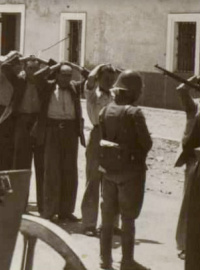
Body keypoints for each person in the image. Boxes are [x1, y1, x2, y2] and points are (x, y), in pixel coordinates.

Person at [98, 70, 152, 270]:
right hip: (130, 172)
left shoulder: (105, 111)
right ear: (132, 92)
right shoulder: (134, 113)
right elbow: (146, 143)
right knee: (128, 218)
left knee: (107, 218)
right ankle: (127, 261)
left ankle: (105, 260)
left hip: (109, 171)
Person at [32, 62, 86, 222]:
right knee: (51, 170)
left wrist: (72, 65)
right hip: (52, 130)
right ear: (57, 75)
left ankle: (66, 211)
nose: (67, 78)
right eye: (64, 75)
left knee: (69, 171)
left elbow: (91, 77)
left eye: (69, 75)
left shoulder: (75, 87)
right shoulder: (48, 86)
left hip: (70, 131)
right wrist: (55, 66)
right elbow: (36, 77)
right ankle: (49, 211)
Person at [0, 54, 49, 214]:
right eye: (29, 68)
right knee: (21, 166)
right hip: (22, 123)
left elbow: (55, 65)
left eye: (35, 68)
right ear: (25, 68)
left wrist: (41, 59)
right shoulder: (19, 80)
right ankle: (20, 205)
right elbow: (5, 66)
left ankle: (43, 206)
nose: (33, 72)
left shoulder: (44, 84)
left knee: (41, 166)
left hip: (38, 124)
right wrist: (20, 57)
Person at [81, 64, 118, 236]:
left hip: (113, 137)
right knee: (93, 181)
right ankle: (89, 223)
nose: (110, 82)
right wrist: (100, 66)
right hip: (98, 135)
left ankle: (110, 224)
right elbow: (89, 79)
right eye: (106, 78)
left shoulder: (116, 95)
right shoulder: (92, 93)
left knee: (112, 181)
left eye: (112, 79)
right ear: (99, 78)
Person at [173, 75, 200, 261]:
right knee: (189, 204)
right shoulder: (195, 105)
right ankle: (183, 243)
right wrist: (195, 78)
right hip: (195, 160)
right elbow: (181, 90)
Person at [0, 51, 17, 172]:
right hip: (2, 111)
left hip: (14, 112)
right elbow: (2, 68)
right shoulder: (0, 71)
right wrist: (6, 60)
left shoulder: (17, 74)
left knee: (11, 148)